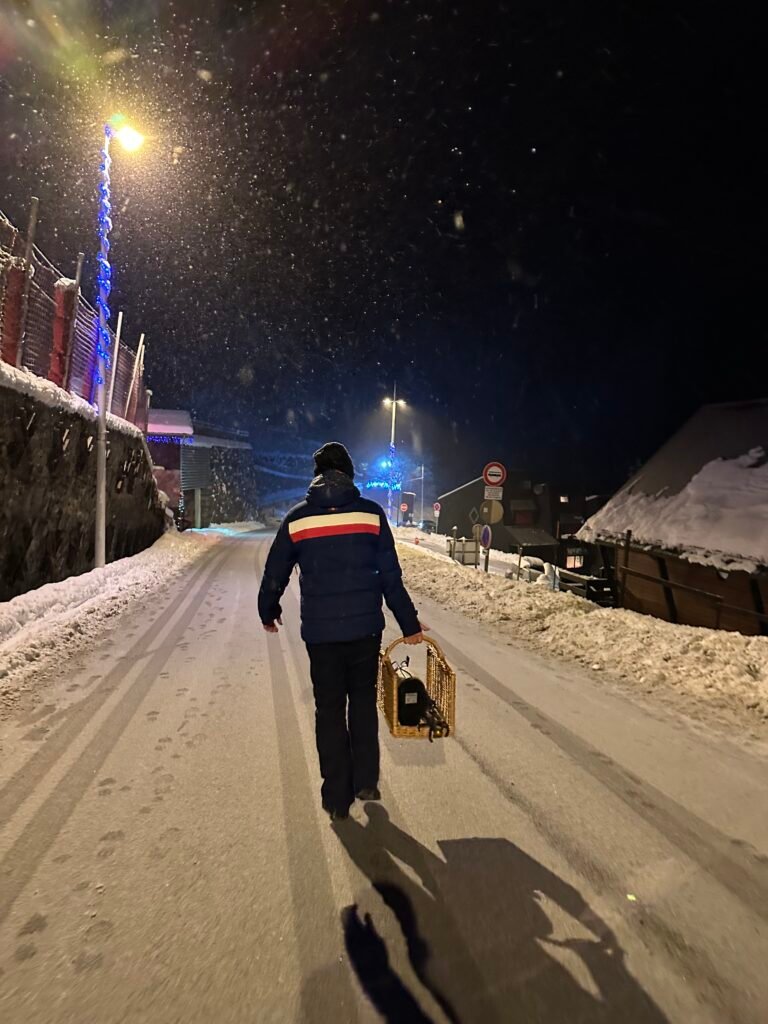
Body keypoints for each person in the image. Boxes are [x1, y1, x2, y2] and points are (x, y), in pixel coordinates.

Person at [258, 442, 427, 821]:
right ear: (349, 473)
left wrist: (268, 610)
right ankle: (365, 779)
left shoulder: (297, 519)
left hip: (321, 636)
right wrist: (409, 623)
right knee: (363, 701)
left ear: (317, 474)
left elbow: (275, 572)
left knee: (330, 710)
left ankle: (337, 797)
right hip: (365, 630)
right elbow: (390, 577)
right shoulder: (371, 515)